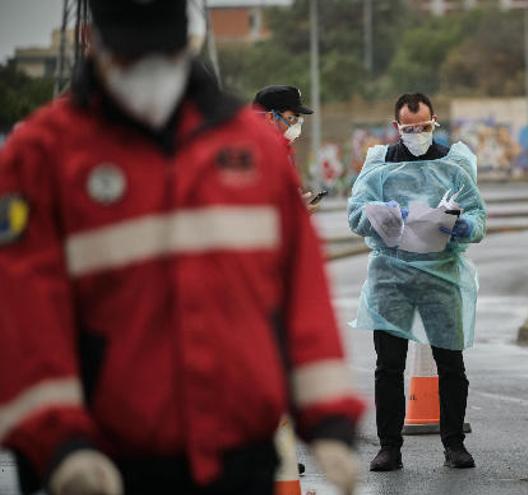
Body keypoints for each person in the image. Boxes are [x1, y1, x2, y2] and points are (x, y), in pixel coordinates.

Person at [0, 1, 363, 494]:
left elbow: (299, 289)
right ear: (92, 40)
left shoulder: (249, 149)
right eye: (131, 54)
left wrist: (328, 416)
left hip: (238, 450)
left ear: (186, 43)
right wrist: (58, 441)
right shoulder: (42, 155)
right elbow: (24, 312)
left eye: (161, 52)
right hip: (107, 458)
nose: (147, 71)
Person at [347, 93, 487, 472]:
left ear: (434, 121)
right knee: (388, 366)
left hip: (441, 274)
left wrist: (462, 225)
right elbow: (356, 215)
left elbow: (477, 216)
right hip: (391, 276)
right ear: (397, 127)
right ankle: (389, 447)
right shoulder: (378, 165)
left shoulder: (453, 164)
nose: (417, 134)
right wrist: (384, 217)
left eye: (424, 127)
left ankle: (454, 444)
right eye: (410, 129)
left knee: (451, 363)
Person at [253, 85, 322, 213]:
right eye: (291, 118)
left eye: (298, 120)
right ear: (271, 117)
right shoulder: (256, 154)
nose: (296, 126)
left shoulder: (282, 151)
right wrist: (294, 211)